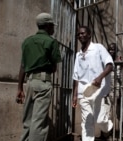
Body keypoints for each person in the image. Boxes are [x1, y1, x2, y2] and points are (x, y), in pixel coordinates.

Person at [16, 12, 61, 141]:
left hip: (29, 82)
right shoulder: (51, 42)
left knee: (28, 121)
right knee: (39, 123)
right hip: (43, 82)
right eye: (52, 26)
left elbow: (23, 65)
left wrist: (19, 88)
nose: (53, 28)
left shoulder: (27, 42)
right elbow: (53, 68)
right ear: (47, 26)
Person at [72, 26, 114, 141]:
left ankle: (108, 126)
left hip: (98, 91)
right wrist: (75, 95)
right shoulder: (78, 55)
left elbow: (110, 65)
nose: (80, 36)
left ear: (89, 34)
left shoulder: (98, 48)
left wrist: (100, 77)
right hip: (83, 93)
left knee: (100, 120)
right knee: (86, 122)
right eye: (78, 34)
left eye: (83, 33)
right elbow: (76, 76)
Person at [107, 43, 123, 138]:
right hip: (108, 89)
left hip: (119, 89)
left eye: (113, 49)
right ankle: (107, 133)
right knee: (106, 113)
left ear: (116, 50)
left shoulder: (120, 60)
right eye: (109, 49)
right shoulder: (105, 60)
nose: (111, 51)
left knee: (121, 113)